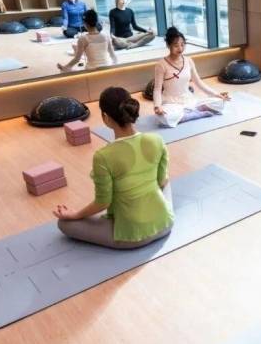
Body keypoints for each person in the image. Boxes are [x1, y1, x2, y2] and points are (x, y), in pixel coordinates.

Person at [53, 87, 174, 249]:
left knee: (64, 224)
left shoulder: (103, 156)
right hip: (165, 224)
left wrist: (75, 214)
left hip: (133, 237)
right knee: (165, 182)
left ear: (105, 117)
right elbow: (162, 181)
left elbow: (103, 203)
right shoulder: (157, 140)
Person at [151, 27, 230, 127]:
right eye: (176, 45)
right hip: (171, 103)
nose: (180, 48)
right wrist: (157, 106)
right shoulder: (161, 64)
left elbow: (198, 82)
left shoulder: (188, 61)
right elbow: (157, 89)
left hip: (189, 100)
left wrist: (216, 94)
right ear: (168, 45)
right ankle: (194, 114)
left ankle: (189, 113)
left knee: (220, 102)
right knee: (164, 117)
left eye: (182, 44)